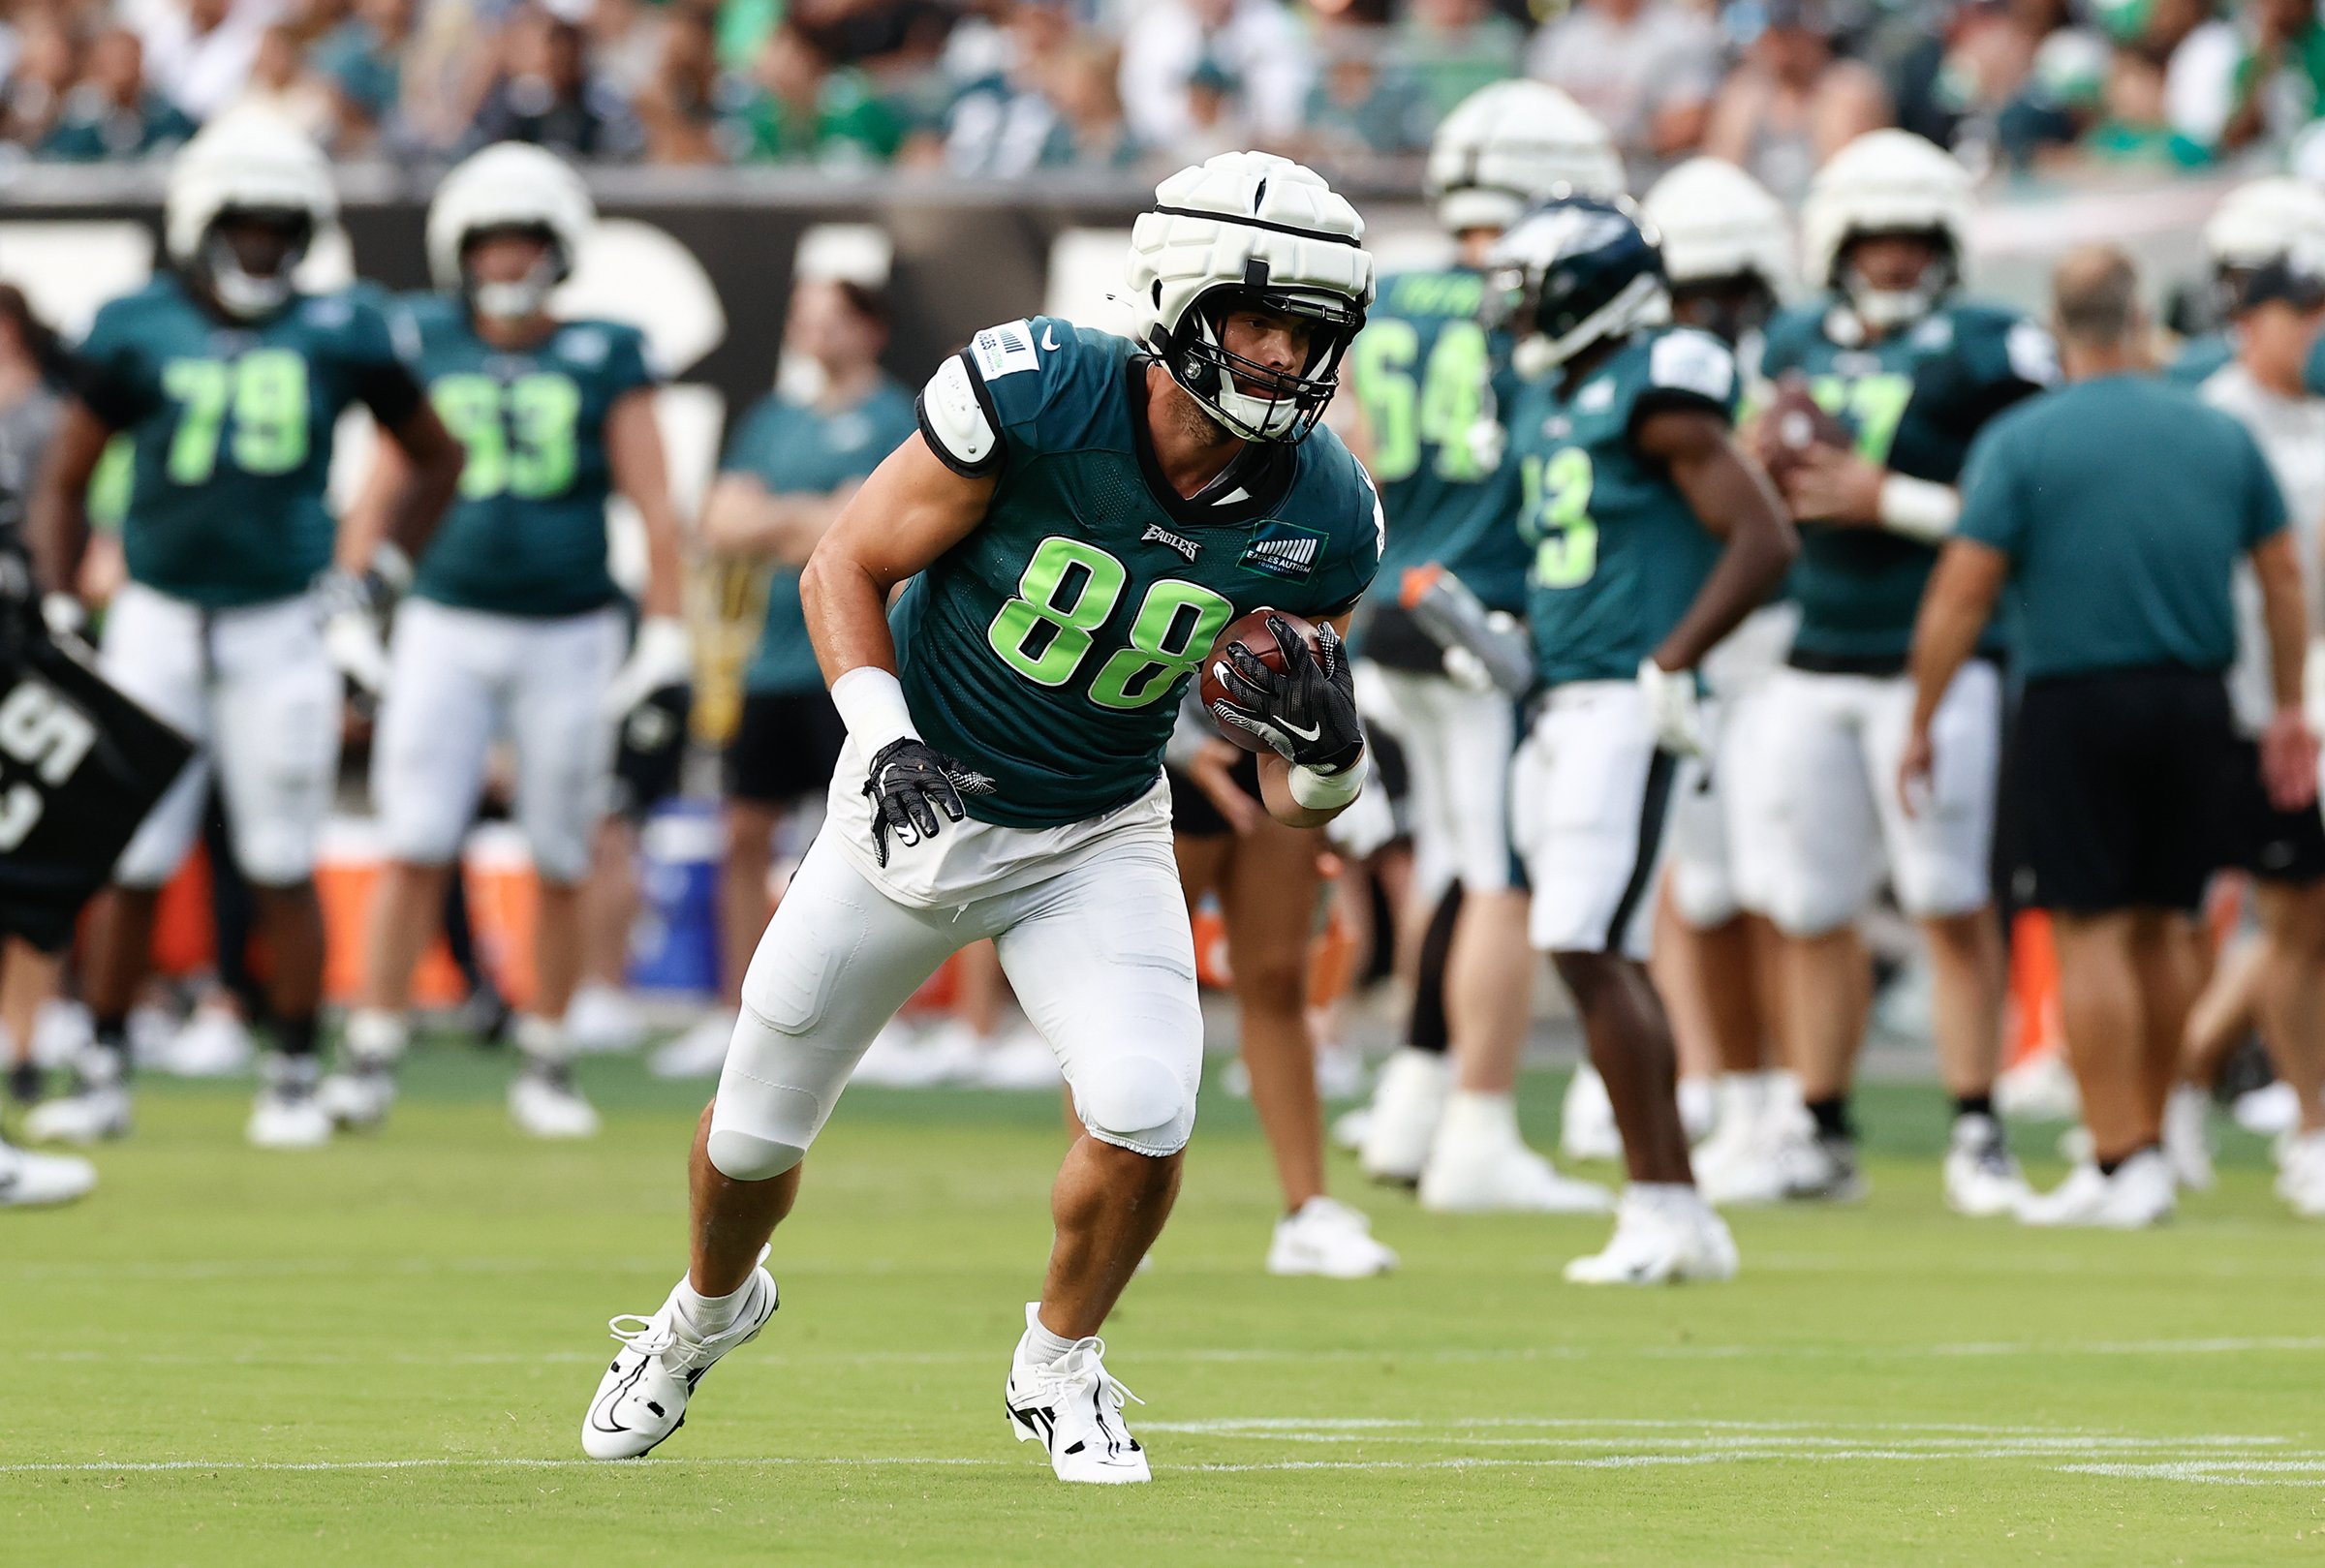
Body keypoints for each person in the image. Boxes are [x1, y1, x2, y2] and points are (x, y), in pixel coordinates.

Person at [580, 151, 1380, 1482]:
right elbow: (848, 559)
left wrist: (1337, 748)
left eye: (1313, 331)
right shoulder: (1046, 389)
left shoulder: (1325, 511)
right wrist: (884, 738)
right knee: (748, 1139)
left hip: (1093, 828)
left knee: (1145, 1104)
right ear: (1181, 299)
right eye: (1262, 319)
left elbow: (1298, 790)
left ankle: (1061, 1360)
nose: (1289, 356)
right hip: (913, 801)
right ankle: (702, 1314)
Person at [23, 112, 463, 1151]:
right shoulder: (138, 324)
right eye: (246, 223)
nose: (263, 243)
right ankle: (104, 1062)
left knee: (277, 854)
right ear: (201, 221)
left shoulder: (344, 325)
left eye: (280, 226)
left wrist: (378, 578)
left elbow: (435, 457)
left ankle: (298, 1068)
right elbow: (65, 477)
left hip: (281, 617)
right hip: (159, 612)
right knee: (131, 853)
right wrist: (57, 597)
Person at [1904, 242, 2315, 1228]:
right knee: (2169, 920)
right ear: (2139, 322)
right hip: (2196, 698)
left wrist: (1921, 716)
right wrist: (2291, 703)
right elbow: (2282, 578)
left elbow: (1963, 592)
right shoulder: (2216, 433)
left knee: (2088, 925)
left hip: (2075, 697)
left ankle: (2117, 1150)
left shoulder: (2025, 438)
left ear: (2057, 329)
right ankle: (2156, 1132)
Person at [324, 142, 689, 1140]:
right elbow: (382, 483)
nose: (507, 257)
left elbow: (658, 505)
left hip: (569, 626)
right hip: (443, 615)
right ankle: (371, 1045)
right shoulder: (422, 337)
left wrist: (665, 628)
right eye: (491, 240)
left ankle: (549, 1053)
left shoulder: (607, 346)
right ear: (460, 249)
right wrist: (350, 607)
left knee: (562, 848)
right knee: (416, 838)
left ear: (560, 246)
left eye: (526, 238)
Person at [1743, 129, 2054, 1214]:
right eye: (1874, 240)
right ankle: (1820, 1123)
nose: (1894, 259)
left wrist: (1895, 501)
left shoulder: (1989, 346)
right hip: (1812, 650)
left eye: (1914, 239)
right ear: (1837, 243)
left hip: (1939, 660)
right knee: (1812, 903)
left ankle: (1978, 1124)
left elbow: (2035, 514)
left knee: (1950, 899)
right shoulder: (1788, 341)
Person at [1492, 192, 1796, 1282]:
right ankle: (1676, 1205)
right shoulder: (1552, 399)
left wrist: (1675, 657)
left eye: (1530, 293)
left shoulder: (1655, 386)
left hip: (1628, 700)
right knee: (1588, 945)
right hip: (1564, 697)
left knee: (1587, 940)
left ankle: (1667, 1203)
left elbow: (1763, 538)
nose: (1514, 314)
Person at [1341, 79, 1623, 1212]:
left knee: (1455, 861)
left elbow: (1356, 432)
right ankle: (1481, 1126)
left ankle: (1417, 1093)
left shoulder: (1396, 292)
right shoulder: (1528, 303)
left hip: (1397, 592)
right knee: (1501, 878)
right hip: (1484, 613)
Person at [651, 276, 919, 1081]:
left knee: (878, 842)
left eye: (831, 318)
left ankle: (875, 1025)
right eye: (804, 318)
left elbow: (884, 525)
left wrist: (791, 522)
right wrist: (819, 518)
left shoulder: (895, 416)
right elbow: (721, 521)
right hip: (770, 658)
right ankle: (737, 1011)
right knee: (744, 834)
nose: (814, 333)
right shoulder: (772, 419)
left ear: (870, 328)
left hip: (858, 657)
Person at [1636, 155, 1803, 1203]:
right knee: (1703, 888)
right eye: (1692, 296)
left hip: (1771, 650)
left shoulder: (1787, 384)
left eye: (1726, 295)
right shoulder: (1638, 388)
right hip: (1688, 651)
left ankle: (1793, 1100)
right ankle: (1740, 1094)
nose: (1707, 318)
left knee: (1778, 884)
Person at [2184, 241, 2325, 1216]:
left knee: (2296, 916)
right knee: (2273, 912)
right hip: (2241, 699)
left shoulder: (2313, 419)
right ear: (2250, 318)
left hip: (2306, 691)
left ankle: (2189, 1084)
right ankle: (2296, 1120)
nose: (2315, 329)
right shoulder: (2218, 420)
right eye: (2300, 310)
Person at [1169, 710, 1399, 1276]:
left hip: (1276, 742)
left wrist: (1345, 749)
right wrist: (1182, 742)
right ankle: (1104, 1205)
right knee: (1134, 980)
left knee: (1278, 978)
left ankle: (1307, 1210)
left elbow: (1324, 646)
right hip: (1155, 746)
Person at [1522, 0, 1721, 185]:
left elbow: (1687, 124)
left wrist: (1615, 146)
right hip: (1571, 180)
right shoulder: (1559, 37)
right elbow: (1542, 113)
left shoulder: (1683, 33)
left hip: (1648, 183)